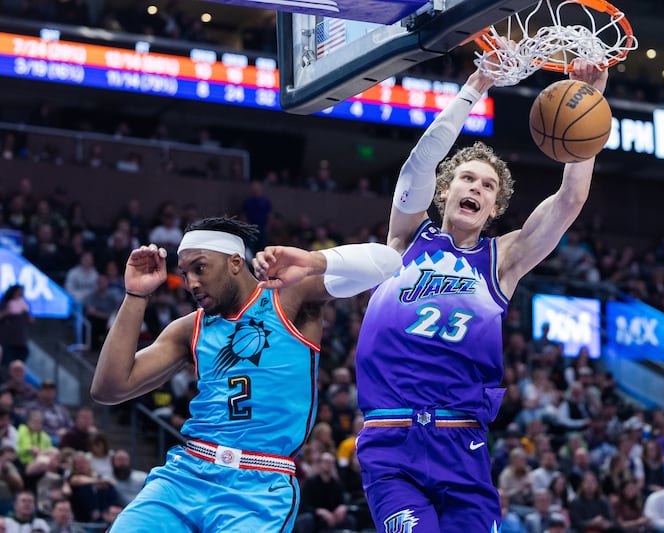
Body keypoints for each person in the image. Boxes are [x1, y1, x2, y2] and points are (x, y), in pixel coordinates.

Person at [353, 58, 607, 532]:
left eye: (488, 185)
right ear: (445, 191)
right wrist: (473, 88)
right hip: (392, 442)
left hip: (462, 445)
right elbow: (417, 166)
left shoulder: (503, 260)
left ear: (495, 206)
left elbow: (570, 200)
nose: (477, 187)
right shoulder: (406, 238)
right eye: (467, 179)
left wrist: (590, 102)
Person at [90, 216, 401, 532]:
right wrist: (135, 296)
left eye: (200, 268)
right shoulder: (189, 328)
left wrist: (310, 260)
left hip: (259, 485)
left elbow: (389, 262)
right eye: (184, 274)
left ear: (235, 263)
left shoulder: (288, 296)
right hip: (186, 474)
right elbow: (109, 388)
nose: (191, 283)